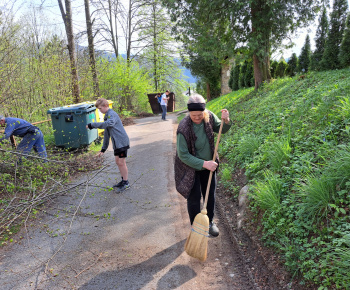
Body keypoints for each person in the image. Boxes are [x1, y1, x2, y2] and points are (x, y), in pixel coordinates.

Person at [174, 94, 231, 237]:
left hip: (209, 166)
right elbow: (183, 155)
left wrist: (226, 119)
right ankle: (195, 226)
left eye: (200, 114)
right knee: (194, 198)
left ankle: (209, 222)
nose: (198, 117)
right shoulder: (184, 128)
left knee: (209, 194)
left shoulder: (209, 116)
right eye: (194, 115)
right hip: (190, 167)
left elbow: (221, 129)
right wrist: (204, 163)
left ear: (204, 111)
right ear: (189, 113)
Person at [86, 98, 130, 193]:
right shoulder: (107, 116)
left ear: (106, 106)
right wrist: (103, 149)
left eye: (100, 108)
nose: (99, 110)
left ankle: (126, 183)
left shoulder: (111, 114)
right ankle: (123, 180)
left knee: (122, 162)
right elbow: (107, 134)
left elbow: (109, 123)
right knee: (118, 162)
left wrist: (92, 125)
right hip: (117, 143)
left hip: (122, 142)